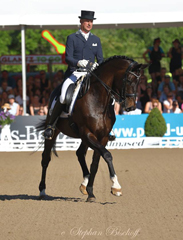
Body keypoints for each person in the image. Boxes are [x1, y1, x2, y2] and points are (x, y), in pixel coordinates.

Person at [43, 10, 103, 140]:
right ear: (81, 21)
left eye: (91, 21)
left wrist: (98, 66)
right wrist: (78, 62)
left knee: (106, 93)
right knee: (64, 95)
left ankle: (107, 127)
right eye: (87, 21)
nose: (89, 23)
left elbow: (101, 59)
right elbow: (67, 58)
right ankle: (51, 125)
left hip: (91, 74)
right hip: (75, 73)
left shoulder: (96, 40)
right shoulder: (72, 38)